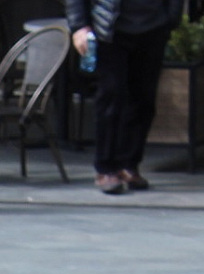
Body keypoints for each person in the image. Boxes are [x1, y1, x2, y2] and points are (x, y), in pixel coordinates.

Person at [67, 0, 184, 196]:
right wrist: (79, 26)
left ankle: (129, 164)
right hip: (110, 29)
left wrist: (171, 18)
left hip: (153, 28)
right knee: (111, 97)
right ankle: (106, 168)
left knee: (144, 99)